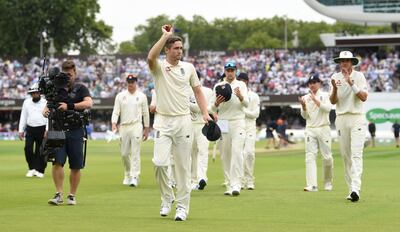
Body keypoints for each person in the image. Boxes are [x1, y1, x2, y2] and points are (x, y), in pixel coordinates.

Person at [147, 25, 212, 221]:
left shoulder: (189, 68)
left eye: (181, 48)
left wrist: (205, 113)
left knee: (183, 168)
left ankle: (182, 208)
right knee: (159, 163)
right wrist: (165, 36)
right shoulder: (158, 68)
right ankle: (167, 197)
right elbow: (150, 57)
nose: (179, 51)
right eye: (175, 48)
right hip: (163, 121)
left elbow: (198, 91)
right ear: (166, 50)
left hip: (184, 121)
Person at [44, 60, 93, 205]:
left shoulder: (81, 88)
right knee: (56, 162)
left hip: (76, 130)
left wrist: (69, 106)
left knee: (76, 165)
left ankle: (72, 195)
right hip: (57, 128)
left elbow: (89, 103)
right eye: (65, 74)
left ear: (75, 73)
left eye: (70, 74)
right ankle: (58, 193)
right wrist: (46, 111)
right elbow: (46, 107)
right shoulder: (55, 88)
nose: (68, 77)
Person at [330, 51, 368, 202]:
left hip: (357, 117)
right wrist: (334, 88)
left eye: (347, 60)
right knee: (346, 157)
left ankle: (355, 189)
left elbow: (364, 97)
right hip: (341, 119)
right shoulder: (334, 78)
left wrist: (351, 83)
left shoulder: (359, 76)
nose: (344, 63)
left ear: (352, 62)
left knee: (356, 154)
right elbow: (333, 101)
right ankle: (350, 190)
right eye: (342, 60)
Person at [210, 61, 249, 196]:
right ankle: (228, 183)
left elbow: (247, 104)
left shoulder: (241, 85)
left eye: (232, 70)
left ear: (236, 71)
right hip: (223, 122)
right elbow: (212, 108)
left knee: (237, 152)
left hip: (238, 121)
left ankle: (236, 184)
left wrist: (240, 96)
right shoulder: (218, 86)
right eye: (228, 70)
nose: (230, 72)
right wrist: (216, 103)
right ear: (225, 71)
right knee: (225, 154)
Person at [111, 74, 150, 187]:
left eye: (132, 82)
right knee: (124, 154)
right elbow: (116, 111)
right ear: (126, 83)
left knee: (135, 152)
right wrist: (114, 123)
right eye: (129, 82)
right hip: (124, 126)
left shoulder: (142, 96)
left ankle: (134, 176)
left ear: (136, 83)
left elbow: (145, 113)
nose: (130, 84)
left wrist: (146, 128)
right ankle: (127, 173)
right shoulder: (120, 96)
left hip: (136, 125)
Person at [299, 75, 333, 192]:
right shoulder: (305, 97)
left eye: (314, 82)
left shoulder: (325, 95)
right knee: (310, 156)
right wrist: (303, 107)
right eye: (310, 82)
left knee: (327, 157)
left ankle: (328, 182)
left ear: (319, 83)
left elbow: (328, 109)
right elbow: (305, 116)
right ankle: (312, 185)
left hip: (323, 128)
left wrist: (315, 100)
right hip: (310, 129)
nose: (312, 84)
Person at [189, 72, 214, 191]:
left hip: (203, 125)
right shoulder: (186, 91)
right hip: (189, 125)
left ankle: (201, 178)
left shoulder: (208, 91)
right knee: (191, 154)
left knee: (203, 152)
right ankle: (193, 179)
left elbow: (210, 108)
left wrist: (194, 106)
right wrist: (200, 108)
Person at [18, 83, 47, 178]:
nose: (34, 95)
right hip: (30, 129)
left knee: (41, 151)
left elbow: (48, 118)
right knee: (28, 149)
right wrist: (21, 130)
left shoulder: (45, 102)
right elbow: (23, 116)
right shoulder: (26, 102)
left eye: (36, 93)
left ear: (39, 93)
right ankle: (32, 168)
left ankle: (40, 170)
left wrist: (47, 129)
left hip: (42, 129)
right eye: (32, 93)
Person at [237, 72, 260, 190]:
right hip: (238, 126)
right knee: (239, 154)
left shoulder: (254, 96)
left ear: (246, 81)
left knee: (249, 153)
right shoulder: (234, 94)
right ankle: (239, 181)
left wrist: (243, 112)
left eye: (243, 80)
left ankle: (250, 180)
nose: (241, 82)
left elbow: (256, 114)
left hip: (250, 126)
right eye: (239, 80)